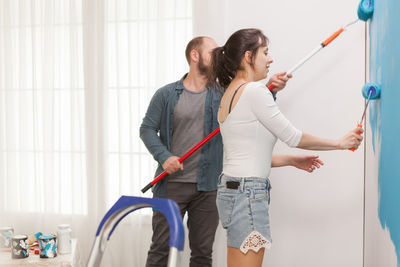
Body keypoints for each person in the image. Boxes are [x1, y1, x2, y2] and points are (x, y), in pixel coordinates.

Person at [140, 36, 324, 267]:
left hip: (209, 187)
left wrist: (271, 89)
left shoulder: (222, 93)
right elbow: (147, 129)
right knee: (161, 249)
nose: (218, 56)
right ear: (194, 56)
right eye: (211, 51)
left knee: (202, 254)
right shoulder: (166, 95)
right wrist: (164, 157)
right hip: (172, 185)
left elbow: (248, 108)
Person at [209, 28, 363, 267]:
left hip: (231, 191)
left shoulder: (231, 92)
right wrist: (340, 143)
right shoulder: (254, 91)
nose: (270, 59)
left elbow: (247, 155)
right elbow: (293, 136)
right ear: (249, 57)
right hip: (247, 195)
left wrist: (292, 160)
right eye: (265, 53)